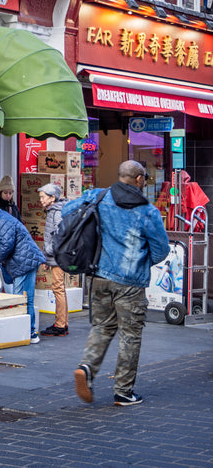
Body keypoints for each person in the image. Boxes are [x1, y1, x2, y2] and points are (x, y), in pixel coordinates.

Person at [69, 160, 170, 407]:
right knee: (130, 336)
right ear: (138, 179)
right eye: (144, 177)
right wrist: (141, 262)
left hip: (99, 276)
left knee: (102, 327)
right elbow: (161, 250)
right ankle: (123, 391)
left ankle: (87, 367)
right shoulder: (147, 211)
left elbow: (66, 211)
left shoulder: (98, 196)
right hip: (130, 283)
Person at [0, 198, 46, 343]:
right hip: (23, 261)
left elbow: (5, 247)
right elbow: (1, 246)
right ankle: (28, 333)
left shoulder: (2, 220)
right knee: (23, 299)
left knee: (21, 299)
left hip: (24, 262)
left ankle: (28, 334)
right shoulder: (0, 220)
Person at [38, 183, 69, 337]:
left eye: (43, 197)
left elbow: (58, 237)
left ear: (52, 197)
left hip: (57, 257)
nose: (41, 200)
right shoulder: (54, 211)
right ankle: (62, 322)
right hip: (56, 256)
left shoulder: (56, 212)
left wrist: (48, 253)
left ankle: (60, 324)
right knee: (59, 289)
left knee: (58, 289)